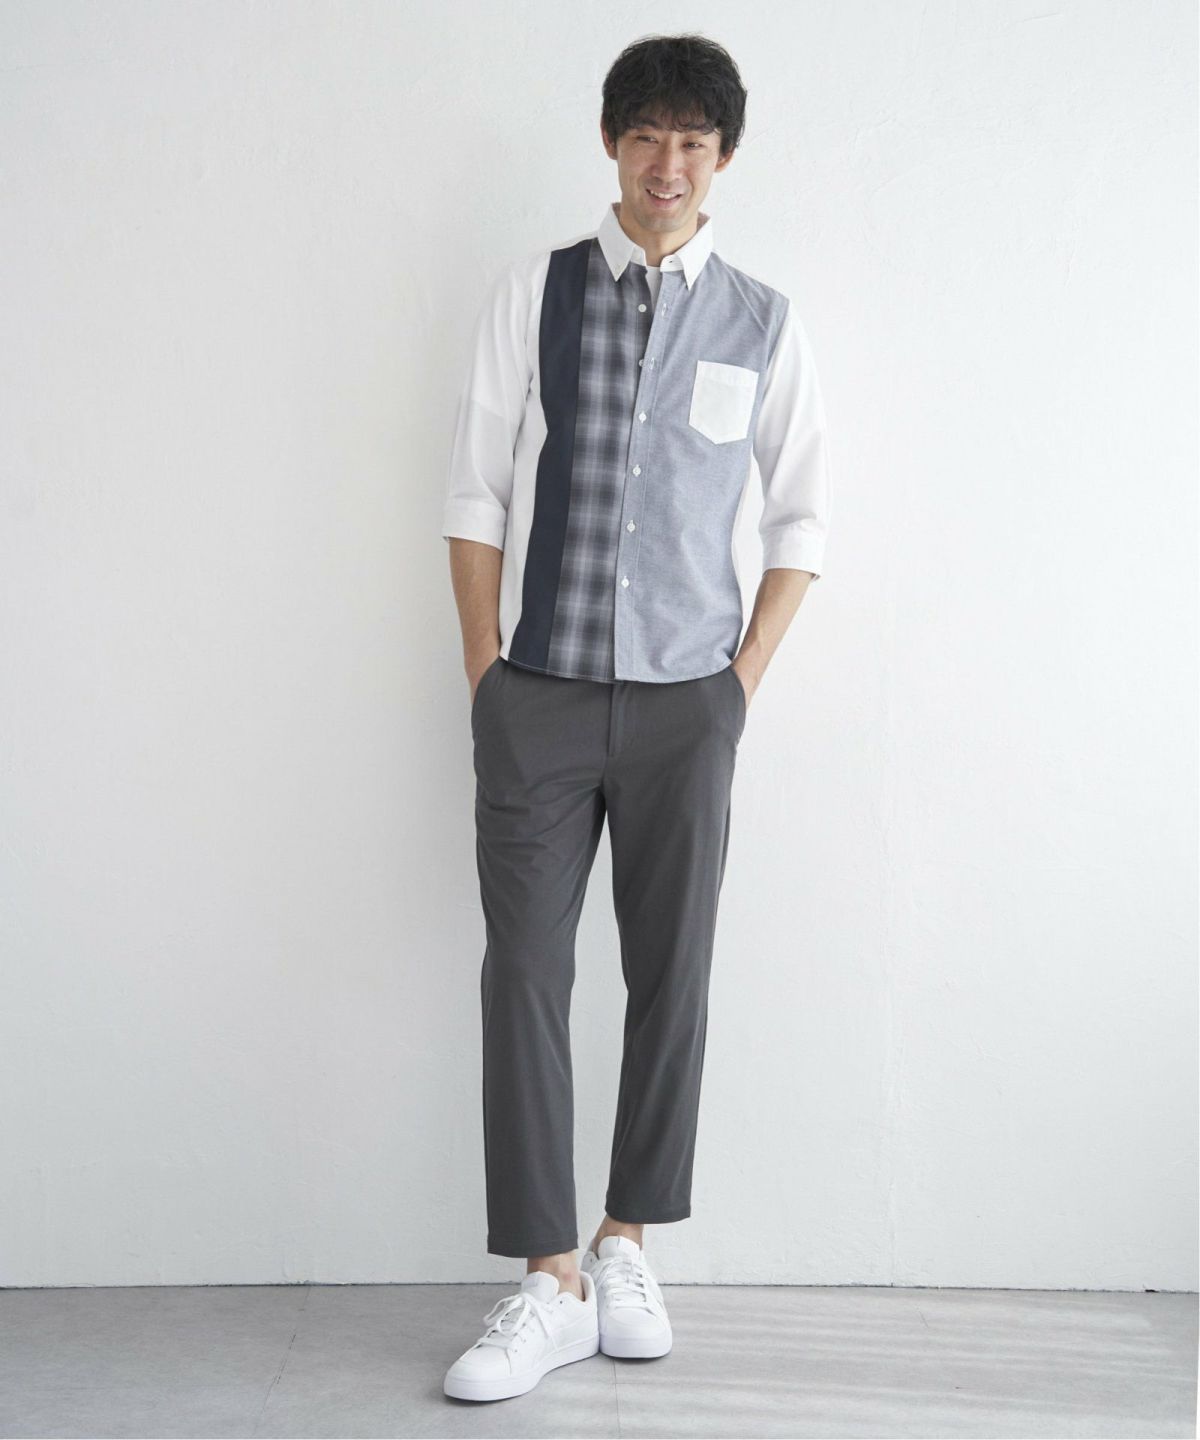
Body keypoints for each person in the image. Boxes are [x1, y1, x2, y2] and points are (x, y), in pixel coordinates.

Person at [439, 32, 832, 1403]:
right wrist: (485, 668)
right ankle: (546, 1277)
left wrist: (738, 686)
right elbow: (476, 487)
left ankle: (627, 1242)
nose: (670, 165)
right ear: (612, 143)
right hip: (537, 699)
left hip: (687, 708)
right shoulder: (536, 292)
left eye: (695, 143)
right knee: (524, 973)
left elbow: (802, 519)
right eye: (649, 136)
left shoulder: (764, 323)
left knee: (674, 978)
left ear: (724, 160)